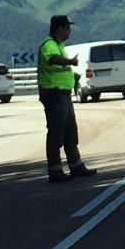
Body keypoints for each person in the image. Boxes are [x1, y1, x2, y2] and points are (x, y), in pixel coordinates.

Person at [37, 15, 97, 182]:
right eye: (67, 28)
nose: (70, 31)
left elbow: (59, 68)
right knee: (56, 132)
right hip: (54, 94)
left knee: (70, 131)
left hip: (63, 93)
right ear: (59, 29)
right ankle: (55, 170)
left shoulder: (58, 45)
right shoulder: (49, 45)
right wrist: (70, 61)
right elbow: (53, 59)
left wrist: (73, 77)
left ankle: (76, 166)